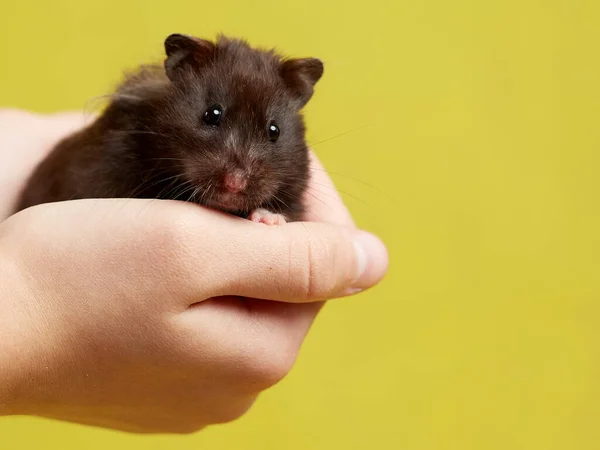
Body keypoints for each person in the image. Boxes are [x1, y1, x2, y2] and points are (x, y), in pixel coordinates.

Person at [0, 109, 388, 434]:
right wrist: (28, 322)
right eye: (214, 118)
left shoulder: (284, 176)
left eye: (271, 133)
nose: (235, 178)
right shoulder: (133, 145)